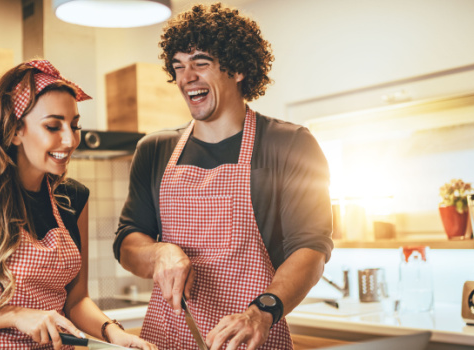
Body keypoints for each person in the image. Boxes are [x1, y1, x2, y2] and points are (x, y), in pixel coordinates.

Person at [113, 3, 334, 350]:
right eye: (179, 66)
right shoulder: (153, 150)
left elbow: (311, 248)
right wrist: (159, 253)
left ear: (239, 68)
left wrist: (261, 312)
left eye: (201, 63)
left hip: (253, 338)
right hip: (164, 339)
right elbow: (128, 244)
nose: (187, 78)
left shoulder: (289, 144)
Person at [0, 59, 156, 350]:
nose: (70, 139)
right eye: (53, 125)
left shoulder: (73, 199)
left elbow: (77, 301)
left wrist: (114, 334)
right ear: (15, 131)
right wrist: (16, 316)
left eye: (74, 125)